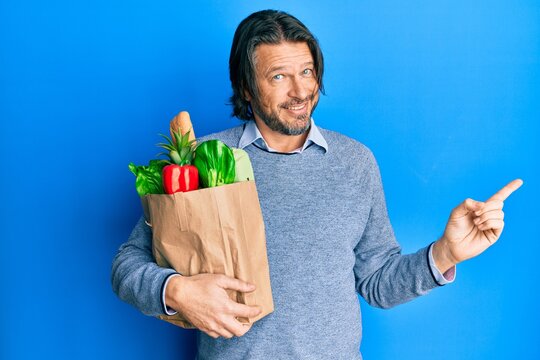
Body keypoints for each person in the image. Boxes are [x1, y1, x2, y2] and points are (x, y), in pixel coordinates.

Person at [111, 9, 522, 359]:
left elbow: (377, 282)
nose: (300, 91)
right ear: (246, 89)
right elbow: (126, 267)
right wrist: (176, 291)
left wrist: (445, 253)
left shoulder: (355, 163)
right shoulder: (202, 158)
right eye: (278, 77)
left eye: (307, 71)